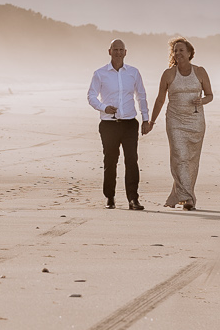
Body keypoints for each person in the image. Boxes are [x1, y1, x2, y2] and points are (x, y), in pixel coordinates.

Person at [143, 36, 213, 209]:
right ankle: (187, 198)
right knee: (179, 157)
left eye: (182, 50)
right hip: (174, 121)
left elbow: (210, 95)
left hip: (196, 122)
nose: (178, 53)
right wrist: (151, 121)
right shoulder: (168, 74)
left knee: (191, 160)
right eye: (175, 50)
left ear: (189, 53)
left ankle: (177, 196)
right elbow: (160, 100)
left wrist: (202, 101)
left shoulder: (200, 72)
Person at [87, 40, 149, 210]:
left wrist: (146, 119)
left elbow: (141, 96)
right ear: (109, 51)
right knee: (110, 161)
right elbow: (91, 96)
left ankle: (133, 199)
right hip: (109, 124)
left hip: (130, 123)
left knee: (132, 161)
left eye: (121, 50)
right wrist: (103, 107)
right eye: (115, 49)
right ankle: (110, 197)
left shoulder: (133, 73)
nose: (118, 52)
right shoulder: (100, 73)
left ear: (125, 52)